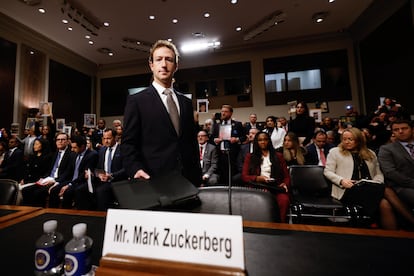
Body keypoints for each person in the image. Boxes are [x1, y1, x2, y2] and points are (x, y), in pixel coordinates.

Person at [121, 40, 201, 186]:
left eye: (169, 59)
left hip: (188, 181)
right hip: (154, 181)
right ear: (151, 65)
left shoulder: (186, 102)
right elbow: (128, 144)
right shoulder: (136, 101)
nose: (164, 64)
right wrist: (135, 169)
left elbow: (191, 143)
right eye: (158, 59)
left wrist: (198, 177)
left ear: (176, 66)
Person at [324, 127, 414, 230]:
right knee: (386, 190)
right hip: (348, 189)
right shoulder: (335, 152)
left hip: (370, 187)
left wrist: (376, 182)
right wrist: (341, 180)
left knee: (385, 204)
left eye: (350, 139)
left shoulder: (370, 153)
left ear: (358, 140)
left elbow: (378, 173)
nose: (347, 142)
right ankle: (411, 221)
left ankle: (392, 237)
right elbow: (328, 172)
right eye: (344, 139)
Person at [241, 131, 290, 222]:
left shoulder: (278, 156)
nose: (263, 142)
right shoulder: (250, 157)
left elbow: (286, 176)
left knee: (284, 200)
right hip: (258, 187)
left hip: (275, 187)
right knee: (263, 200)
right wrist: (258, 178)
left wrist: (285, 184)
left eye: (265, 140)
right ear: (256, 142)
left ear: (269, 141)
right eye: (260, 140)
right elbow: (244, 176)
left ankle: (280, 226)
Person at [21, 132, 76, 207]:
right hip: (48, 179)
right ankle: (28, 212)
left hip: (59, 180)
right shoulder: (54, 153)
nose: (60, 141)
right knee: (26, 190)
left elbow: (68, 172)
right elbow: (49, 170)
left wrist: (55, 180)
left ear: (67, 141)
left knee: (39, 192)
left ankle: (41, 213)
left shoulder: (71, 154)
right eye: (58, 139)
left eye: (63, 139)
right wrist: (43, 178)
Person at [48, 135, 98, 209]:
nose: (72, 149)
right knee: (54, 190)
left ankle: (67, 214)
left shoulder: (92, 155)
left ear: (82, 147)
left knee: (68, 192)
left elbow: (83, 175)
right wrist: (57, 182)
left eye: (75, 147)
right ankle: (52, 212)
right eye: (71, 147)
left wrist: (70, 184)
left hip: (82, 181)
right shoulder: (74, 154)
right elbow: (69, 171)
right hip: (72, 180)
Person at [378, 119, 414, 210]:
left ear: (412, 129)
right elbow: (390, 172)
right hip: (402, 186)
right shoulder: (386, 149)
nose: (400, 131)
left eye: (404, 128)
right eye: (396, 130)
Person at [92, 129, 126, 211]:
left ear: (115, 138)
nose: (106, 141)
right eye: (104, 139)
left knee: (101, 191)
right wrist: (99, 174)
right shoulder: (102, 150)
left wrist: (111, 175)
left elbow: (126, 169)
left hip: (117, 180)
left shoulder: (122, 150)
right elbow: (97, 168)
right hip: (103, 180)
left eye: (108, 138)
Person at [212, 104, 246, 184]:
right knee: (222, 175)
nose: (223, 113)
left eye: (226, 111)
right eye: (222, 111)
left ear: (231, 113)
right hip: (221, 154)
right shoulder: (217, 125)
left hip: (233, 154)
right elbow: (212, 138)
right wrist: (215, 140)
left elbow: (244, 137)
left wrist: (237, 139)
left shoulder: (237, 124)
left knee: (232, 175)